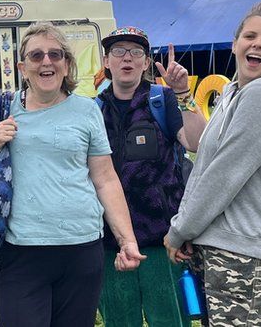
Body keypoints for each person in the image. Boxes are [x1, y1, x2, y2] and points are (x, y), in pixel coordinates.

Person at [0, 21, 146, 327]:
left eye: (55, 54)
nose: (46, 61)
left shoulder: (88, 111)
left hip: (81, 248)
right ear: (23, 67)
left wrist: (126, 239)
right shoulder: (2, 108)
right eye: (36, 56)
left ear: (66, 64)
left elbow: (105, 179)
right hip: (20, 250)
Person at [164, 0, 261, 327]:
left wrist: (180, 229)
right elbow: (202, 153)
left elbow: (224, 175)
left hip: (245, 253)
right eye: (250, 36)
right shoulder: (232, 92)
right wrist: (183, 94)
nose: (257, 44)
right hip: (219, 244)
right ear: (235, 43)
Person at [95, 27, 206, 327]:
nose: (126, 58)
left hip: (163, 242)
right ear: (106, 61)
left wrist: (183, 93)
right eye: (118, 51)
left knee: (170, 320)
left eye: (135, 52)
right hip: (111, 244)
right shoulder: (94, 109)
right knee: (119, 322)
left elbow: (196, 143)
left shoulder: (163, 100)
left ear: (146, 63)